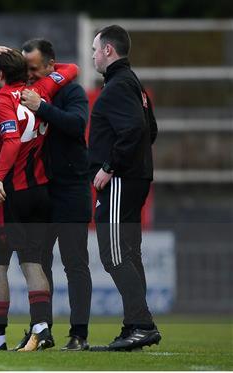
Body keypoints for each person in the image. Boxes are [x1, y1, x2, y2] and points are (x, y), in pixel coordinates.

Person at [0, 41, 92, 351]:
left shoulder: (2, 99)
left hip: (12, 192)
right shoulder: (42, 88)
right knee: (34, 261)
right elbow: (71, 69)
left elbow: (11, 140)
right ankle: (42, 330)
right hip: (40, 191)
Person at [88, 25, 160, 352]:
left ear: (108, 51)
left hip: (119, 181)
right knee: (128, 253)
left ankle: (142, 324)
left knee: (113, 254)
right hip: (135, 178)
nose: (92, 55)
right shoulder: (133, 83)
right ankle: (134, 325)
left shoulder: (118, 85)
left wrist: (110, 167)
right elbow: (150, 130)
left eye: (94, 49)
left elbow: (133, 129)